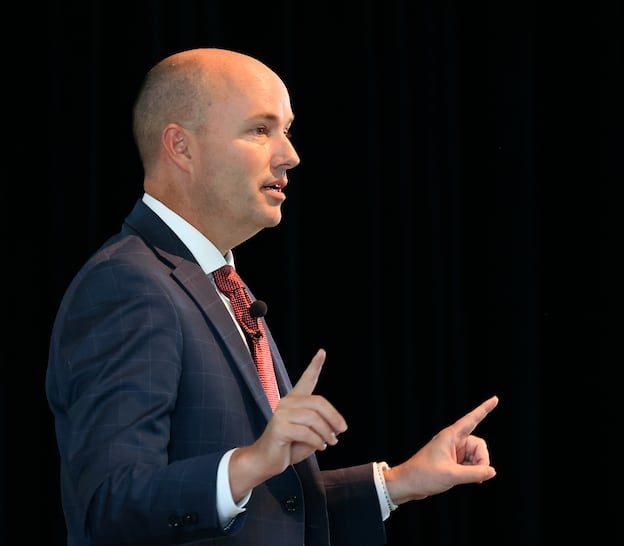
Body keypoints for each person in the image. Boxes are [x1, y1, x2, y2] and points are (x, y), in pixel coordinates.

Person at [46, 47, 499, 546]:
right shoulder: (127, 285)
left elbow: (266, 505)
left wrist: (398, 483)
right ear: (180, 146)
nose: (290, 155)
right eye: (260, 130)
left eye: (286, 129)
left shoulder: (217, 283)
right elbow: (108, 507)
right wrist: (253, 460)